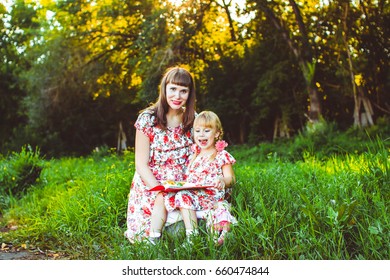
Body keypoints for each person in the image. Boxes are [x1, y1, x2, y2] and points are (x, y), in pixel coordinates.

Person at [124, 66, 196, 243]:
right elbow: (141, 164)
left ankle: (187, 234)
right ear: (164, 89)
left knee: (196, 216)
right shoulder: (148, 119)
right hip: (152, 183)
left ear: (189, 94)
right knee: (147, 233)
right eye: (173, 89)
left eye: (183, 91)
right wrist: (158, 191)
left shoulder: (193, 118)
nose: (177, 96)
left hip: (181, 183)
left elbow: (200, 155)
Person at [150, 111, 237, 245]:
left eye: (207, 131)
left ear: (217, 134)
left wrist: (222, 180)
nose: (201, 134)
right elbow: (190, 178)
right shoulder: (194, 154)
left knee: (183, 196)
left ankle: (192, 237)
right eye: (197, 131)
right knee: (162, 196)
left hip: (210, 196)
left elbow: (231, 179)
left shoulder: (221, 155)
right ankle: (153, 237)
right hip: (195, 193)